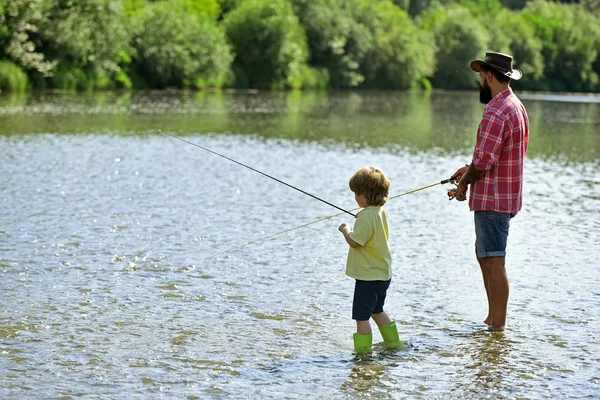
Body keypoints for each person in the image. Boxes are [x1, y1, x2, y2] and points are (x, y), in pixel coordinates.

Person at [451, 51, 529, 331]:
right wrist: (467, 169)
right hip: (504, 197)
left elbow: (483, 163)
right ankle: (492, 319)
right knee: (485, 255)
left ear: (490, 76)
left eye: (482, 76)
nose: (480, 81)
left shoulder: (497, 110)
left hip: (493, 200)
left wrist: (464, 183)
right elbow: (490, 156)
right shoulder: (515, 105)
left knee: (494, 260)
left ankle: (498, 325)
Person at [338, 166, 404, 352]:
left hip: (368, 277)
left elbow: (355, 242)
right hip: (382, 274)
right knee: (377, 310)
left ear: (364, 195)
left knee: (362, 316)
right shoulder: (380, 211)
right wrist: (363, 216)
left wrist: (345, 229)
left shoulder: (366, 217)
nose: (355, 198)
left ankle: (363, 353)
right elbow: (371, 223)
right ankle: (394, 344)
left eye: (356, 193)